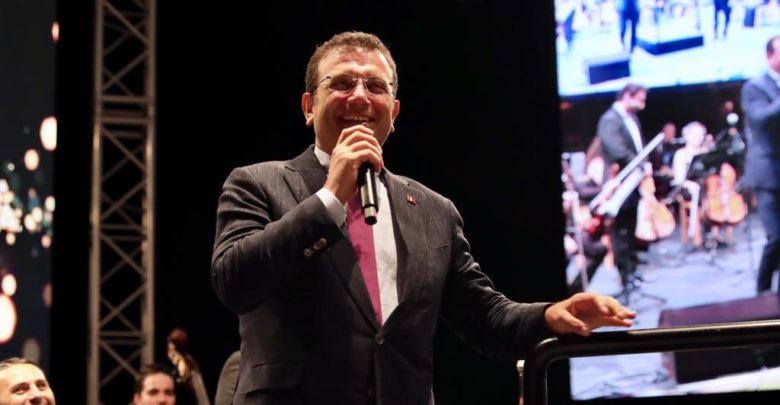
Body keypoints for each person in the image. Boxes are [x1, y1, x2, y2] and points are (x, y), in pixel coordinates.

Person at [211, 31, 635, 405]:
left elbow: (484, 318)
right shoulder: (257, 184)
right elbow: (234, 281)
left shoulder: (433, 211)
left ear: (393, 113)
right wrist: (329, 199)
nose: (359, 96)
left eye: (375, 86)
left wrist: (550, 316)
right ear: (309, 106)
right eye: (341, 83)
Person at [597, 83, 648, 296]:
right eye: (640, 100)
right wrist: (641, 164)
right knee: (620, 231)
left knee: (630, 227)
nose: (643, 105)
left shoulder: (632, 118)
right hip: (618, 182)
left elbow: (639, 146)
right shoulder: (610, 119)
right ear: (627, 95)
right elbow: (618, 151)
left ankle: (633, 271)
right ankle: (625, 275)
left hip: (633, 182)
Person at [741, 35, 780, 296]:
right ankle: (762, 289)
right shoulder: (755, 87)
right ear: (770, 56)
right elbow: (760, 119)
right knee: (776, 237)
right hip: (767, 172)